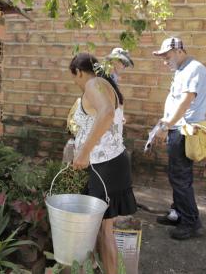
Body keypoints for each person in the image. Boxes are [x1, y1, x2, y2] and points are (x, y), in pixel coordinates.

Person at [70, 53, 137, 274]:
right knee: (103, 229)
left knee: (106, 231)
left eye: (75, 78)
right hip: (114, 163)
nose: (76, 83)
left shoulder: (92, 84)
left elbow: (107, 113)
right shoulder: (106, 84)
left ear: (79, 72)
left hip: (105, 167)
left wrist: (83, 152)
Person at [152, 37, 206, 240]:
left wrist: (166, 125)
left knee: (180, 177)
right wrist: (166, 120)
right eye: (163, 58)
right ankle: (178, 212)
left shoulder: (194, 69)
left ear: (178, 51)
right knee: (177, 176)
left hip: (184, 131)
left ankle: (191, 222)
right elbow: (176, 101)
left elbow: (185, 102)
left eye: (167, 56)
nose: (165, 61)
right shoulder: (182, 70)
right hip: (178, 128)